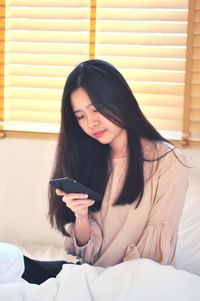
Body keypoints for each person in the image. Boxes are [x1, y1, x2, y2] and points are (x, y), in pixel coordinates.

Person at [22, 59, 188, 284]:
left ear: (120, 100)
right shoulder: (89, 158)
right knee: (16, 266)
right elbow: (86, 256)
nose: (91, 123)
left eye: (97, 109)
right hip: (89, 276)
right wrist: (81, 216)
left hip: (132, 284)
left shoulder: (168, 161)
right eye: (80, 116)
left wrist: (105, 284)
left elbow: (153, 259)